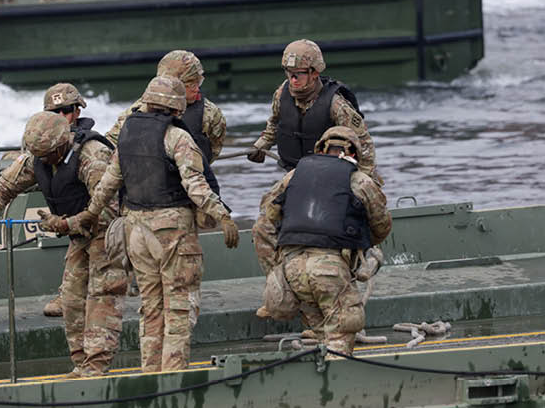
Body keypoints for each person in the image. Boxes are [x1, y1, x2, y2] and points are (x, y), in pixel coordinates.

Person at [74, 76, 238, 373]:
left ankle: (150, 375)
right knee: (178, 306)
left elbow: (109, 182)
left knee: (150, 307)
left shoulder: (126, 132)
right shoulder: (177, 137)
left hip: (136, 231)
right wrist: (223, 215)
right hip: (171, 232)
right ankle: (172, 379)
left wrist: (90, 212)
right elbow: (196, 185)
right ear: (176, 107)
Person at [0, 111, 124, 377]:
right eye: (38, 156)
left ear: (62, 144)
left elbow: (109, 210)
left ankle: (97, 365)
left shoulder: (91, 156)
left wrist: (66, 224)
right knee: (72, 299)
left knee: (102, 298)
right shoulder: (39, 157)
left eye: (48, 155)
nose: (43, 161)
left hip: (107, 235)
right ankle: (80, 362)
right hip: (79, 235)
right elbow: (6, 185)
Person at [248, 39, 379, 276]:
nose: (293, 79)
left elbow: (364, 145)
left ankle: (355, 263)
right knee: (264, 223)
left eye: (298, 74)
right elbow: (274, 124)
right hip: (295, 175)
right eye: (289, 73)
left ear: (315, 72)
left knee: (334, 229)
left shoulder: (336, 105)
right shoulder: (282, 94)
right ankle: (281, 280)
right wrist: (261, 145)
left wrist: (365, 182)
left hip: (331, 178)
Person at [257, 127, 391, 355]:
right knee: (343, 329)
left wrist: (274, 268)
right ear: (355, 153)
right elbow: (381, 224)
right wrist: (362, 244)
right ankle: (336, 385)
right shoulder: (359, 180)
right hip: (329, 269)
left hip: (294, 269)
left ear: (320, 148)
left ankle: (316, 382)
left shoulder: (294, 175)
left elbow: (264, 221)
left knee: (320, 332)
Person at [106, 50, 225, 203]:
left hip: (187, 193)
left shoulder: (210, 114)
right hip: (143, 194)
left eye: (199, 82)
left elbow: (214, 148)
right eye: (191, 84)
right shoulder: (135, 113)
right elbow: (111, 147)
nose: (197, 89)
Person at [39, 82, 94, 317]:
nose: (61, 116)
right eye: (54, 112)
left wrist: (69, 223)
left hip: (102, 225)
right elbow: (9, 183)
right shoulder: (42, 149)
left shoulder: (90, 150)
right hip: (78, 229)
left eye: (66, 110)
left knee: (104, 293)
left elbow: (108, 203)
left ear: (77, 112)